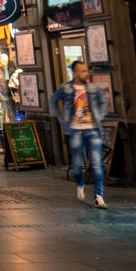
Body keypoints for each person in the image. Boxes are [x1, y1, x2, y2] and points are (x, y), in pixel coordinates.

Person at [52, 60, 109, 208]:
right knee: (77, 164)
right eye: (83, 71)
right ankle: (79, 185)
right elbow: (53, 100)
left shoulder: (92, 87)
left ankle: (98, 196)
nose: (86, 73)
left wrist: (99, 116)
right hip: (75, 130)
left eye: (86, 70)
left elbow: (102, 102)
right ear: (75, 73)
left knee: (97, 164)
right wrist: (61, 119)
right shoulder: (66, 88)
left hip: (92, 129)